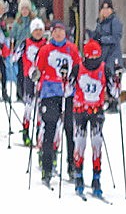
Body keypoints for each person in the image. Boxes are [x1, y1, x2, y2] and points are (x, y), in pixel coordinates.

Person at [33, 20, 81, 187]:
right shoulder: (45, 49)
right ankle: (47, 167)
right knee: (50, 128)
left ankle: (72, 167)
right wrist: (36, 75)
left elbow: (78, 68)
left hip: (68, 93)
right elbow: (37, 68)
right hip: (50, 92)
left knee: (70, 128)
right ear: (51, 33)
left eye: (61, 31)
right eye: (56, 31)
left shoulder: (72, 49)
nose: (59, 34)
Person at [71, 39, 117, 198]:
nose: (93, 62)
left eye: (96, 59)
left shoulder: (105, 69)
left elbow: (115, 93)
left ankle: (96, 178)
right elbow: (67, 90)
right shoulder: (78, 68)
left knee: (96, 143)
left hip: (97, 109)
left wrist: (117, 78)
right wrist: (65, 75)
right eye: (90, 58)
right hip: (80, 110)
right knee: (80, 142)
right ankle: (78, 175)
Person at [16, 18, 46, 145]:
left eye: (40, 30)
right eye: (36, 30)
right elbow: (14, 56)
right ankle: (25, 131)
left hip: (42, 79)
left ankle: (39, 132)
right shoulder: (26, 43)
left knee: (40, 107)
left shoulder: (46, 43)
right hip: (28, 77)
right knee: (29, 105)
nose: (38, 32)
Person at [92, 0, 123, 76]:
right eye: (103, 8)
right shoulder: (100, 22)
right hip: (102, 54)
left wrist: (102, 39)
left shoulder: (115, 21)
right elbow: (96, 34)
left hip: (112, 54)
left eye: (107, 8)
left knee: (111, 77)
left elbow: (116, 38)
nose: (105, 11)